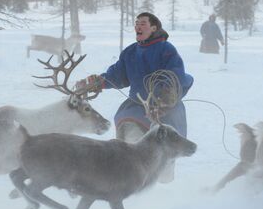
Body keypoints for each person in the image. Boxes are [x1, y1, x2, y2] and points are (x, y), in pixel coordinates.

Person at [76, 12, 194, 142]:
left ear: (154, 28)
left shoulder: (166, 49)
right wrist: (98, 82)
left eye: (143, 24)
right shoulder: (130, 52)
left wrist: (166, 98)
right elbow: (117, 75)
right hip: (136, 105)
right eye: (136, 24)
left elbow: (175, 74)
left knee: (169, 139)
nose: (138, 27)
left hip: (163, 107)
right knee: (126, 127)